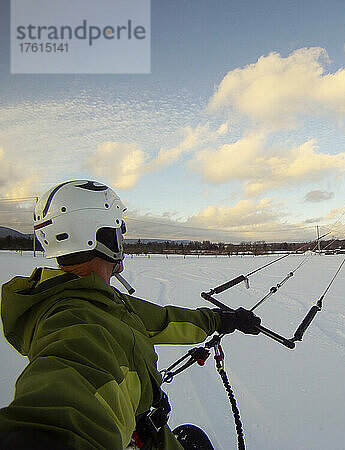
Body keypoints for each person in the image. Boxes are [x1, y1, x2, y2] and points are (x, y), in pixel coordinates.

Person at [0, 180, 260, 449]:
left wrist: (222, 319)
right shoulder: (76, 321)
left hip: (147, 433)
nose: (122, 238)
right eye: (118, 230)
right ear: (102, 237)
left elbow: (164, 321)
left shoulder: (103, 300)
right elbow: (66, 404)